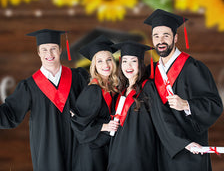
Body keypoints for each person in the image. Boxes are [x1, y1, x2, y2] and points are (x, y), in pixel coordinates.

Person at [0, 29, 88, 171]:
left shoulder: (78, 78)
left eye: (53, 49)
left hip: (77, 147)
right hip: (46, 150)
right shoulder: (29, 86)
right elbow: (11, 113)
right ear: (38, 52)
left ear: (60, 50)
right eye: (44, 50)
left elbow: (91, 104)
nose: (49, 54)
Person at [143, 9, 223, 171]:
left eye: (166, 35)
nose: (161, 40)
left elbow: (215, 105)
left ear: (176, 37)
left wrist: (187, 104)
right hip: (161, 147)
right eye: (156, 36)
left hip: (189, 149)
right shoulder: (150, 71)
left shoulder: (193, 68)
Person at [107, 41, 159, 171]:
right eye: (124, 61)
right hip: (118, 154)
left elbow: (160, 119)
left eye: (133, 61)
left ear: (140, 64)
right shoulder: (121, 91)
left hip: (139, 155)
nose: (128, 66)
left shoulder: (148, 87)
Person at [71, 35, 119, 171]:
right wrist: (104, 126)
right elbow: (78, 123)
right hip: (91, 153)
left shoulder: (112, 86)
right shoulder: (93, 90)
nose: (106, 65)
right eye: (100, 61)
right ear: (94, 66)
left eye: (109, 59)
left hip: (104, 148)